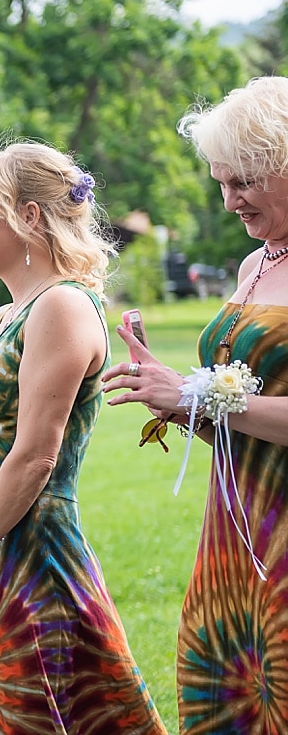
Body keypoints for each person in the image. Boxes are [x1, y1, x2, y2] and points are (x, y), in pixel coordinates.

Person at [0, 142, 167, 733]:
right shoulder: (0, 318)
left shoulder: (65, 307)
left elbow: (34, 456)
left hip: (36, 559)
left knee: (57, 713)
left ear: (28, 217)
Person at [104, 75, 288, 734]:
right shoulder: (253, 266)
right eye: (220, 181)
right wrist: (179, 400)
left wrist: (196, 392)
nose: (228, 199)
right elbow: (244, 427)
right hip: (233, 540)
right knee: (219, 701)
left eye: (243, 181)